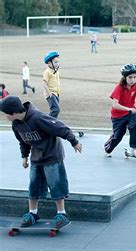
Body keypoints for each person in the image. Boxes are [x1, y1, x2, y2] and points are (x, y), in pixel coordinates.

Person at [0, 96, 82, 228]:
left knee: (56, 183)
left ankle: (62, 213)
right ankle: (33, 213)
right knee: (34, 184)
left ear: (14, 113)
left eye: (5, 114)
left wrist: (74, 141)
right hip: (36, 157)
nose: (5, 116)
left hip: (52, 154)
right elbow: (23, 141)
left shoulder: (38, 118)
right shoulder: (16, 124)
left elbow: (60, 128)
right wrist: (24, 156)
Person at [104, 64, 136, 157]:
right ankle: (108, 148)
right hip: (118, 116)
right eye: (130, 77)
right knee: (118, 136)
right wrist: (128, 109)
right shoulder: (119, 88)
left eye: (135, 77)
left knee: (135, 127)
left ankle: (135, 149)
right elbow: (115, 105)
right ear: (125, 77)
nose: (133, 80)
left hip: (131, 113)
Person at [42, 51, 61, 118]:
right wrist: (50, 94)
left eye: (58, 62)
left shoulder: (56, 71)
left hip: (56, 93)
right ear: (49, 63)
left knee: (55, 111)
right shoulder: (47, 72)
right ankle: (47, 123)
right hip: (51, 94)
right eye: (55, 62)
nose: (57, 64)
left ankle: (53, 124)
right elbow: (44, 84)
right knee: (56, 110)